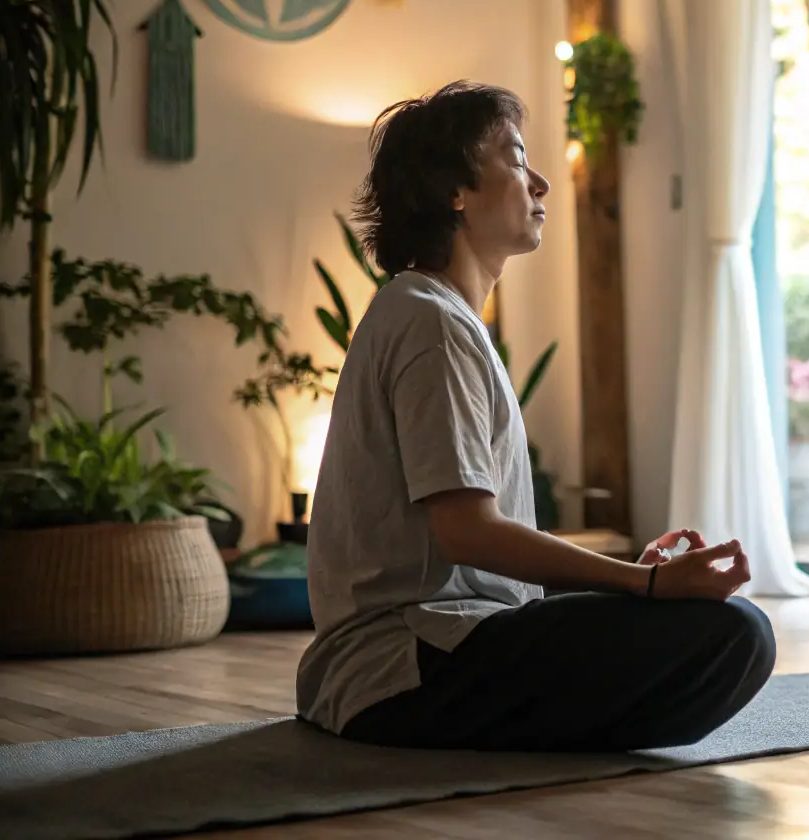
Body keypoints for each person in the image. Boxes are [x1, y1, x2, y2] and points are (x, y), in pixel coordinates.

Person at [296, 81, 776, 752]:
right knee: (735, 635)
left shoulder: (430, 313)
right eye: (516, 159)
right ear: (452, 191)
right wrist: (643, 584)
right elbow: (468, 532)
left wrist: (627, 593)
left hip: (433, 652)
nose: (542, 182)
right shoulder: (430, 322)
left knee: (717, 630)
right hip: (402, 667)